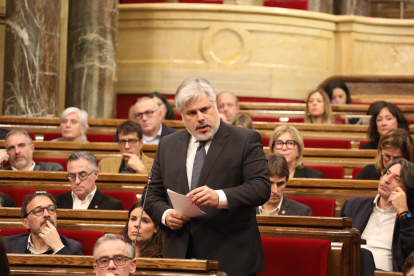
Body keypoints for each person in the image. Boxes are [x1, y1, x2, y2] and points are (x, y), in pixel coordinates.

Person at [145, 77, 270, 276]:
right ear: (182, 116)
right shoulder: (168, 145)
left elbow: (261, 187)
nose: (200, 117)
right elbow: (151, 194)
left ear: (215, 107)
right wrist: (166, 216)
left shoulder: (245, 139)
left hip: (231, 255)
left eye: (205, 109)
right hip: (180, 254)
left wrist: (219, 197)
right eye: (192, 113)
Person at [339, 159, 414, 272]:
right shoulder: (352, 205)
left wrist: (404, 213)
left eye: (396, 179)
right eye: (387, 173)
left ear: (406, 191)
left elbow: (412, 253)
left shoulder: (409, 217)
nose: (387, 180)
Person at [2, 192, 83, 255]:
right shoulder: (6, 245)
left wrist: (58, 247)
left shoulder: (74, 248)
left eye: (51, 209)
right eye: (38, 211)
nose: (46, 214)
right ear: (26, 223)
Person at [54, 151, 124, 210]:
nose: (77, 181)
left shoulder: (112, 206)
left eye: (83, 175)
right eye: (72, 176)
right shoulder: (55, 203)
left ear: (95, 174)